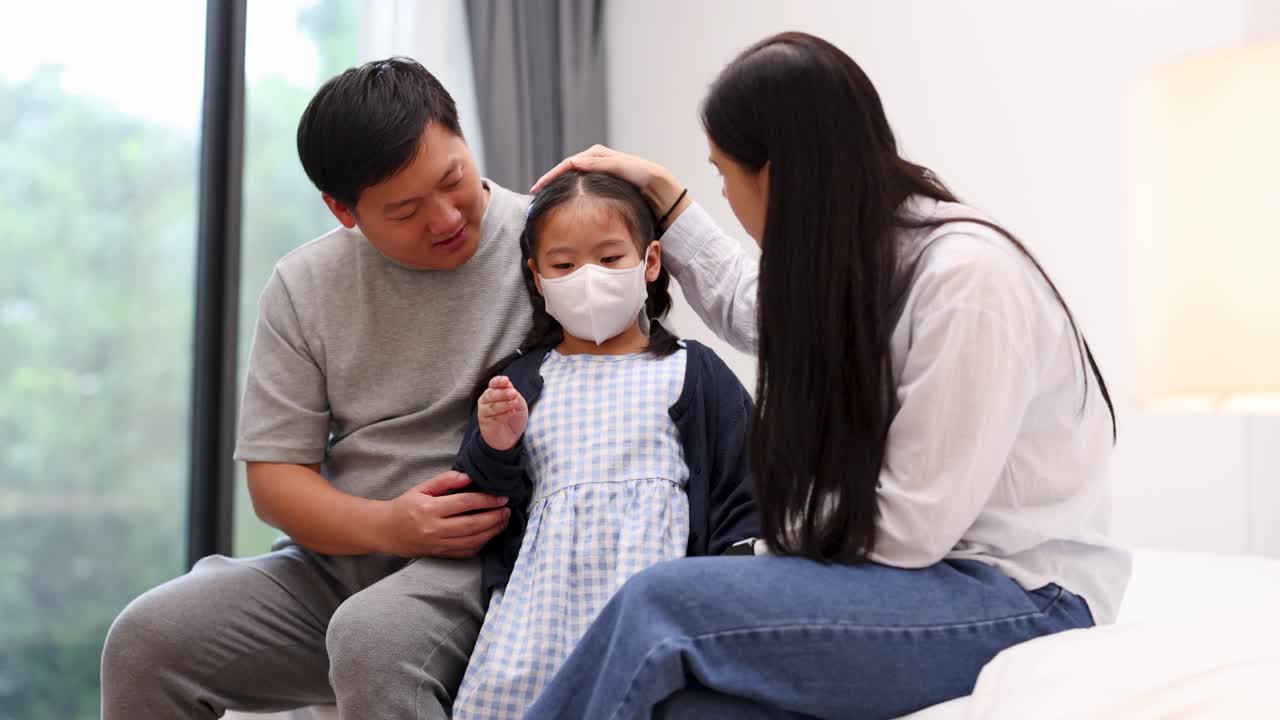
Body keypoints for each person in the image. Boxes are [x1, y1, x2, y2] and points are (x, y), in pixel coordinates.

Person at [522, 31, 1131, 720]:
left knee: (659, 601)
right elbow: (752, 307)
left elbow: (909, 528)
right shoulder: (866, 262)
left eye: (724, 174)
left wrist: (767, 549)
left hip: (1022, 600)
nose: (723, 191)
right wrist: (668, 197)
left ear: (774, 178)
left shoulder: (967, 282)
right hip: (930, 585)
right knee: (686, 708)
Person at [100, 58, 528, 719]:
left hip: (485, 564)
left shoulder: (552, 247)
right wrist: (390, 524)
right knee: (146, 639)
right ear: (342, 210)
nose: (445, 217)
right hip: (340, 566)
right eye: (406, 209)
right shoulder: (305, 285)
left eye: (454, 179)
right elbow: (275, 479)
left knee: (374, 640)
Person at [449, 171, 758, 720]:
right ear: (537, 278)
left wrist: (731, 579)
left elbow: (745, 482)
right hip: (540, 611)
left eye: (611, 258)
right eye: (564, 265)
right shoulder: (521, 380)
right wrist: (496, 445)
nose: (587, 278)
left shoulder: (693, 371)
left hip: (658, 599)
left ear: (651, 260)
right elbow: (480, 502)